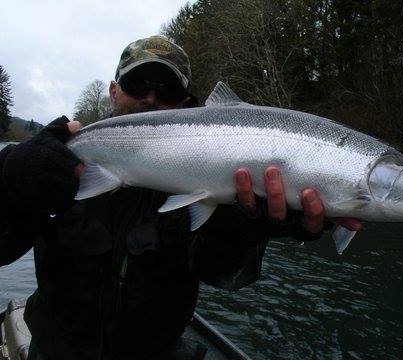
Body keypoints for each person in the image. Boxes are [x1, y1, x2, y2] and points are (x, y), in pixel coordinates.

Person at [0, 35, 361, 360]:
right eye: (137, 84)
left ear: (187, 104)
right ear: (113, 91)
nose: (150, 97)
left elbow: (224, 275)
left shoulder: (213, 184)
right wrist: (12, 181)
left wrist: (248, 229)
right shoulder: (56, 163)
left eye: (167, 89)